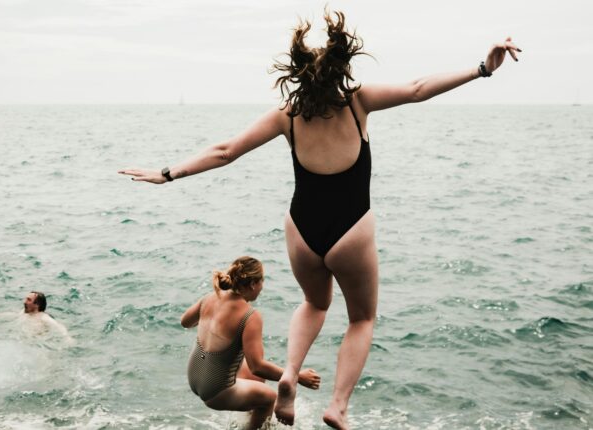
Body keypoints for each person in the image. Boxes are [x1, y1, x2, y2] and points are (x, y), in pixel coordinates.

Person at [119, 10, 521, 429]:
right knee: (361, 318)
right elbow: (418, 89)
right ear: (339, 69)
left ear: (298, 75)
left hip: (302, 230)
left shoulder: (287, 116)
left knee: (314, 302)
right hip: (352, 230)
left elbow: (226, 151)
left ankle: (289, 374)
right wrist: (481, 69)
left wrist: (168, 174)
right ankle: (338, 406)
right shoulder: (358, 101)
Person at [181, 256, 320, 429]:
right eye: (262, 281)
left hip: (195, 377)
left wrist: (209, 322)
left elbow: (185, 322)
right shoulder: (250, 316)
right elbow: (257, 365)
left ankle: (249, 414)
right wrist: (298, 378)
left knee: (258, 376)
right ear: (253, 284)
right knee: (271, 397)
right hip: (215, 392)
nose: (262, 287)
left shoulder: (211, 297)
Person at [0, 291, 75, 344]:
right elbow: (11, 315)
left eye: (28, 300)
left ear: (36, 305)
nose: (24, 301)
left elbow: (59, 326)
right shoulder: (24, 312)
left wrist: (67, 338)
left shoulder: (43, 317)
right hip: (21, 342)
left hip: (38, 345)